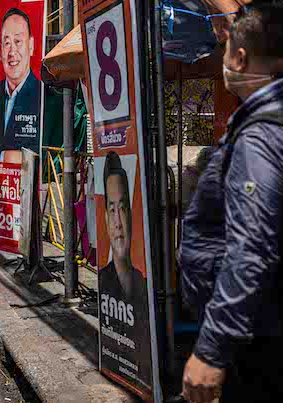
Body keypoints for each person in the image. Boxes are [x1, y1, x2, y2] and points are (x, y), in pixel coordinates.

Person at [179, 3, 283, 403]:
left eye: (224, 48)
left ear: (240, 58)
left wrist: (211, 351)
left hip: (261, 339)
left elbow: (250, 251)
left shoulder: (261, 139)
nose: (222, 58)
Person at [98, 152, 151, 392]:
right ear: (105, 219)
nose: (118, 222)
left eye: (123, 208)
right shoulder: (103, 283)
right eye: (111, 210)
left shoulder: (146, 286)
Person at [0, 7, 42, 165]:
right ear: (1, 51)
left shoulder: (44, 95)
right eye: (7, 43)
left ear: (31, 45)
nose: (12, 52)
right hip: (2, 182)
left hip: (31, 181)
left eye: (18, 41)